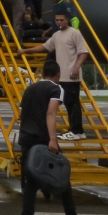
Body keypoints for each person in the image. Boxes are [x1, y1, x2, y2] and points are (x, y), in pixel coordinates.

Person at [18, 61, 85, 215]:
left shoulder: (30, 89)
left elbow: (21, 113)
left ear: (42, 73)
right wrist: (53, 139)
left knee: (30, 182)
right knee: (61, 177)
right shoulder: (56, 89)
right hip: (42, 140)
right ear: (57, 74)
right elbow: (51, 113)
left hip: (26, 138)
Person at [20, 10, 89, 140]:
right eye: (57, 20)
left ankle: (78, 131)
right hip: (60, 76)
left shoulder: (75, 33)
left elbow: (84, 52)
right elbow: (45, 47)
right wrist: (26, 51)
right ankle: (72, 130)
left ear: (67, 20)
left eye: (61, 20)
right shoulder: (57, 35)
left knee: (73, 103)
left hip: (71, 75)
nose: (59, 22)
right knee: (65, 103)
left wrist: (77, 67)